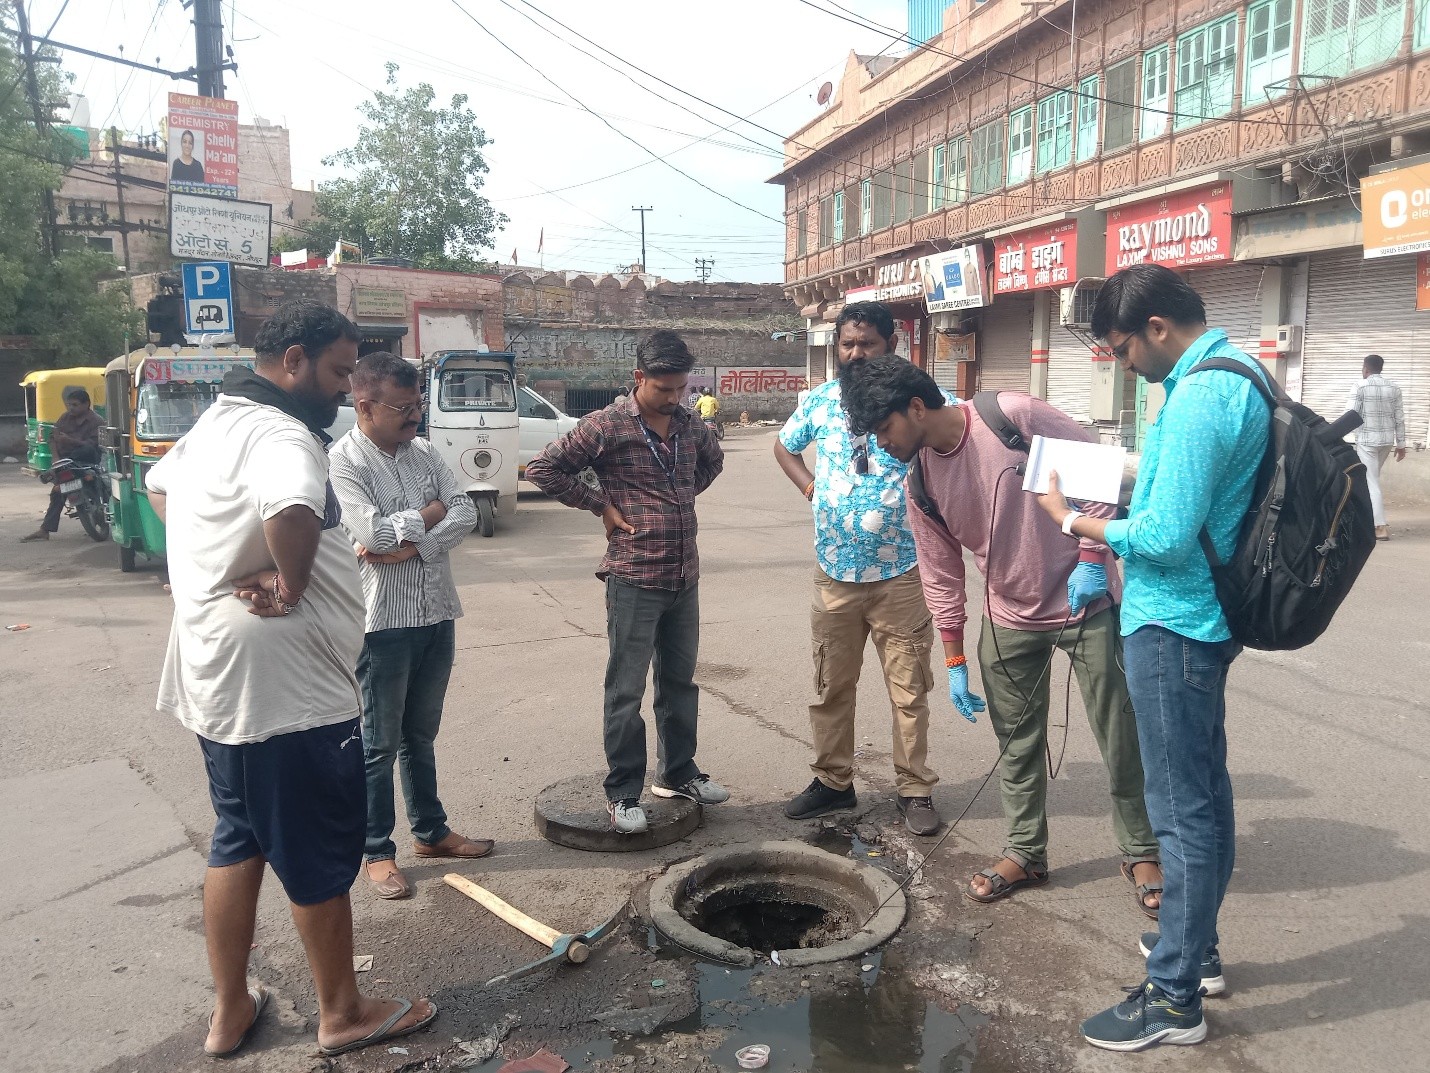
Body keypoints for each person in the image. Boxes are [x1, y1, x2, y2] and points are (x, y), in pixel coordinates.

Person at [146, 301, 436, 1059]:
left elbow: (160, 488)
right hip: (286, 689)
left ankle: (231, 1008)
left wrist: (200, 567)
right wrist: (291, 581)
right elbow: (294, 505)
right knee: (312, 846)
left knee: (237, 839)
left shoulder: (217, 423)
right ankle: (342, 1011)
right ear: (296, 360)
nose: (345, 388)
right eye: (340, 371)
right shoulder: (281, 434)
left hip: (221, 677)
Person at [1036, 264, 1271, 1052]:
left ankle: (1174, 996)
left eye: (1121, 349)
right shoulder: (1237, 372)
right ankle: (1194, 952)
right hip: (1200, 620)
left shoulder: (1203, 394)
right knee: (1204, 792)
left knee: (1180, 813)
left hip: (1175, 622)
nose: (1123, 363)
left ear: (1157, 328)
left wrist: (1076, 523)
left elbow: (1168, 537)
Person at [840, 357, 1162, 912]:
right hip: (1009, 617)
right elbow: (940, 572)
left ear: (916, 408)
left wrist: (1092, 555)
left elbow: (1095, 473)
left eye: (885, 429)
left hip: (1087, 605)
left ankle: (1140, 848)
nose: (882, 444)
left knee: (1121, 734)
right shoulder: (920, 479)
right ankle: (1026, 851)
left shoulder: (1009, 416)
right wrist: (956, 657)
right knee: (1016, 746)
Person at [526, 330, 728, 834]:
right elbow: (543, 469)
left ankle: (678, 773)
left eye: (681, 388)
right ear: (639, 378)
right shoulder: (606, 426)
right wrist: (602, 505)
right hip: (635, 577)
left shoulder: (688, 424)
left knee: (680, 683)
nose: (674, 398)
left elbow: (713, 461)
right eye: (664, 389)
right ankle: (622, 792)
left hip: (684, 575)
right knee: (625, 689)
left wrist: (679, 497)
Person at [773, 301, 944, 835]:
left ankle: (914, 790)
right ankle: (832, 783)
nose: (853, 353)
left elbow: (954, 437)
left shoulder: (917, 400)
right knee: (830, 686)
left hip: (901, 573)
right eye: (846, 344)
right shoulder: (822, 400)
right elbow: (784, 446)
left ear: (889, 344)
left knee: (908, 690)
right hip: (835, 573)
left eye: (864, 343)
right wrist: (810, 486)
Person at [329, 352, 494, 902]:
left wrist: (415, 545)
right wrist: (427, 515)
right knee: (379, 743)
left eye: (418, 403)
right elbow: (372, 538)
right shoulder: (344, 462)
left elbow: (466, 511)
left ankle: (430, 832)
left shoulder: (424, 451)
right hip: (384, 624)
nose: (415, 416)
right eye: (403, 407)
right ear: (365, 406)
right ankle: (377, 850)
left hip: (436, 611)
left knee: (420, 735)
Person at [21, 386, 102, 543]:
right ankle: (45, 530)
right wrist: (56, 458)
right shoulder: (64, 418)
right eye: (69, 404)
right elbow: (53, 438)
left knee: (85, 449)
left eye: (75, 405)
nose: (71, 408)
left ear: (86, 404)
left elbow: (93, 444)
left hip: (86, 459)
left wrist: (70, 441)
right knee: (57, 492)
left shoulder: (96, 421)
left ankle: (58, 469)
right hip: (66, 463)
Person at [1348, 353, 1407, 541]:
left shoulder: (1360, 386)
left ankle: (1379, 527)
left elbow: (1350, 415)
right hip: (1387, 441)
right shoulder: (1394, 387)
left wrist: (1335, 436)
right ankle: (1369, 518)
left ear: (1365, 368)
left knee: (1371, 481)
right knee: (1371, 479)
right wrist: (1402, 444)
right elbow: (1399, 417)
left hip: (1367, 441)